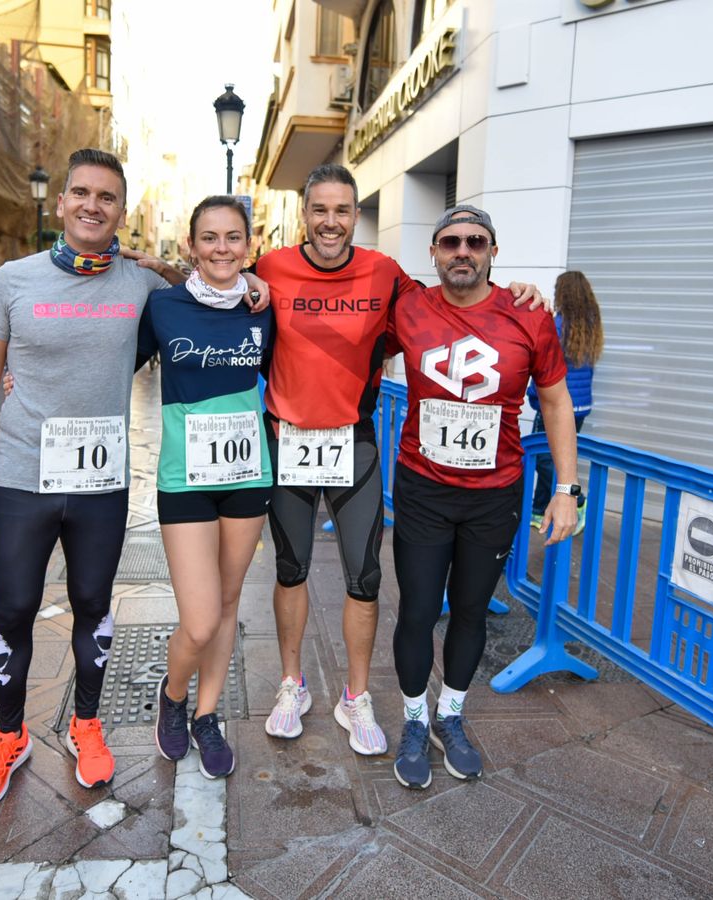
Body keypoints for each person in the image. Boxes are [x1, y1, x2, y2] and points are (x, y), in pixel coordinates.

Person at [0, 149, 269, 810]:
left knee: (94, 607)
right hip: (19, 476)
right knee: (13, 610)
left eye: (108, 198)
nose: (94, 206)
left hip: (100, 483)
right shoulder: (12, 280)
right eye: (82, 194)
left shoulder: (141, 286)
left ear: (122, 211)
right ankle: (7, 738)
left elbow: (203, 291)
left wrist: (256, 284)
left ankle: (85, 725)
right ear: (63, 202)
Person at [250, 164, 546, 758]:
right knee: (291, 570)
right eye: (319, 209)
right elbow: (217, 293)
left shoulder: (386, 274)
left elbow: (456, 297)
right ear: (304, 214)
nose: (330, 221)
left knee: (364, 577)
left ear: (356, 216)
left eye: (342, 210)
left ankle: (354, 697)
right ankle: (292, 685)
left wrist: (520, 290)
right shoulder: (271, 267)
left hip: (353, 443)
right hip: (289, 442)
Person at [385, 205, 582, 789]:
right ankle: (415, 719)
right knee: (419, 611)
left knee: (471, 611)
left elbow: (555, 402)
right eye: (451, 242)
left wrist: (566, 489)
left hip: (495, 493)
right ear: (434, 253)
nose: (462, 251)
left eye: (476, 241)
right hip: (422, 488)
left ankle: (452, 714)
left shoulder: (528, 315)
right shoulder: (410, 307)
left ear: (494, 251)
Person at [141, 197, 273, 780]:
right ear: (192, 245)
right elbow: (109, 363)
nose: (223, 249)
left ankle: (207, 714)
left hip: (248, 476)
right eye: (210, 238)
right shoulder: (163, 305)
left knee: (225, 603)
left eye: (233, 237)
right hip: (184, 480)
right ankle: (173, 698)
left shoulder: (265, 305)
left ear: (249, 243)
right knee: (197, 619)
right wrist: (27, 373)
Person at [528, 271, 602, 529]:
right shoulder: (590, 325)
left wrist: (534, 397)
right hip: (581, 407)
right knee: (560, 455)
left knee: (542, 458)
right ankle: (538, 508)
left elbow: (545, 369)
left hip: (559, 406)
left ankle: (576, 497)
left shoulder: (558, 325)